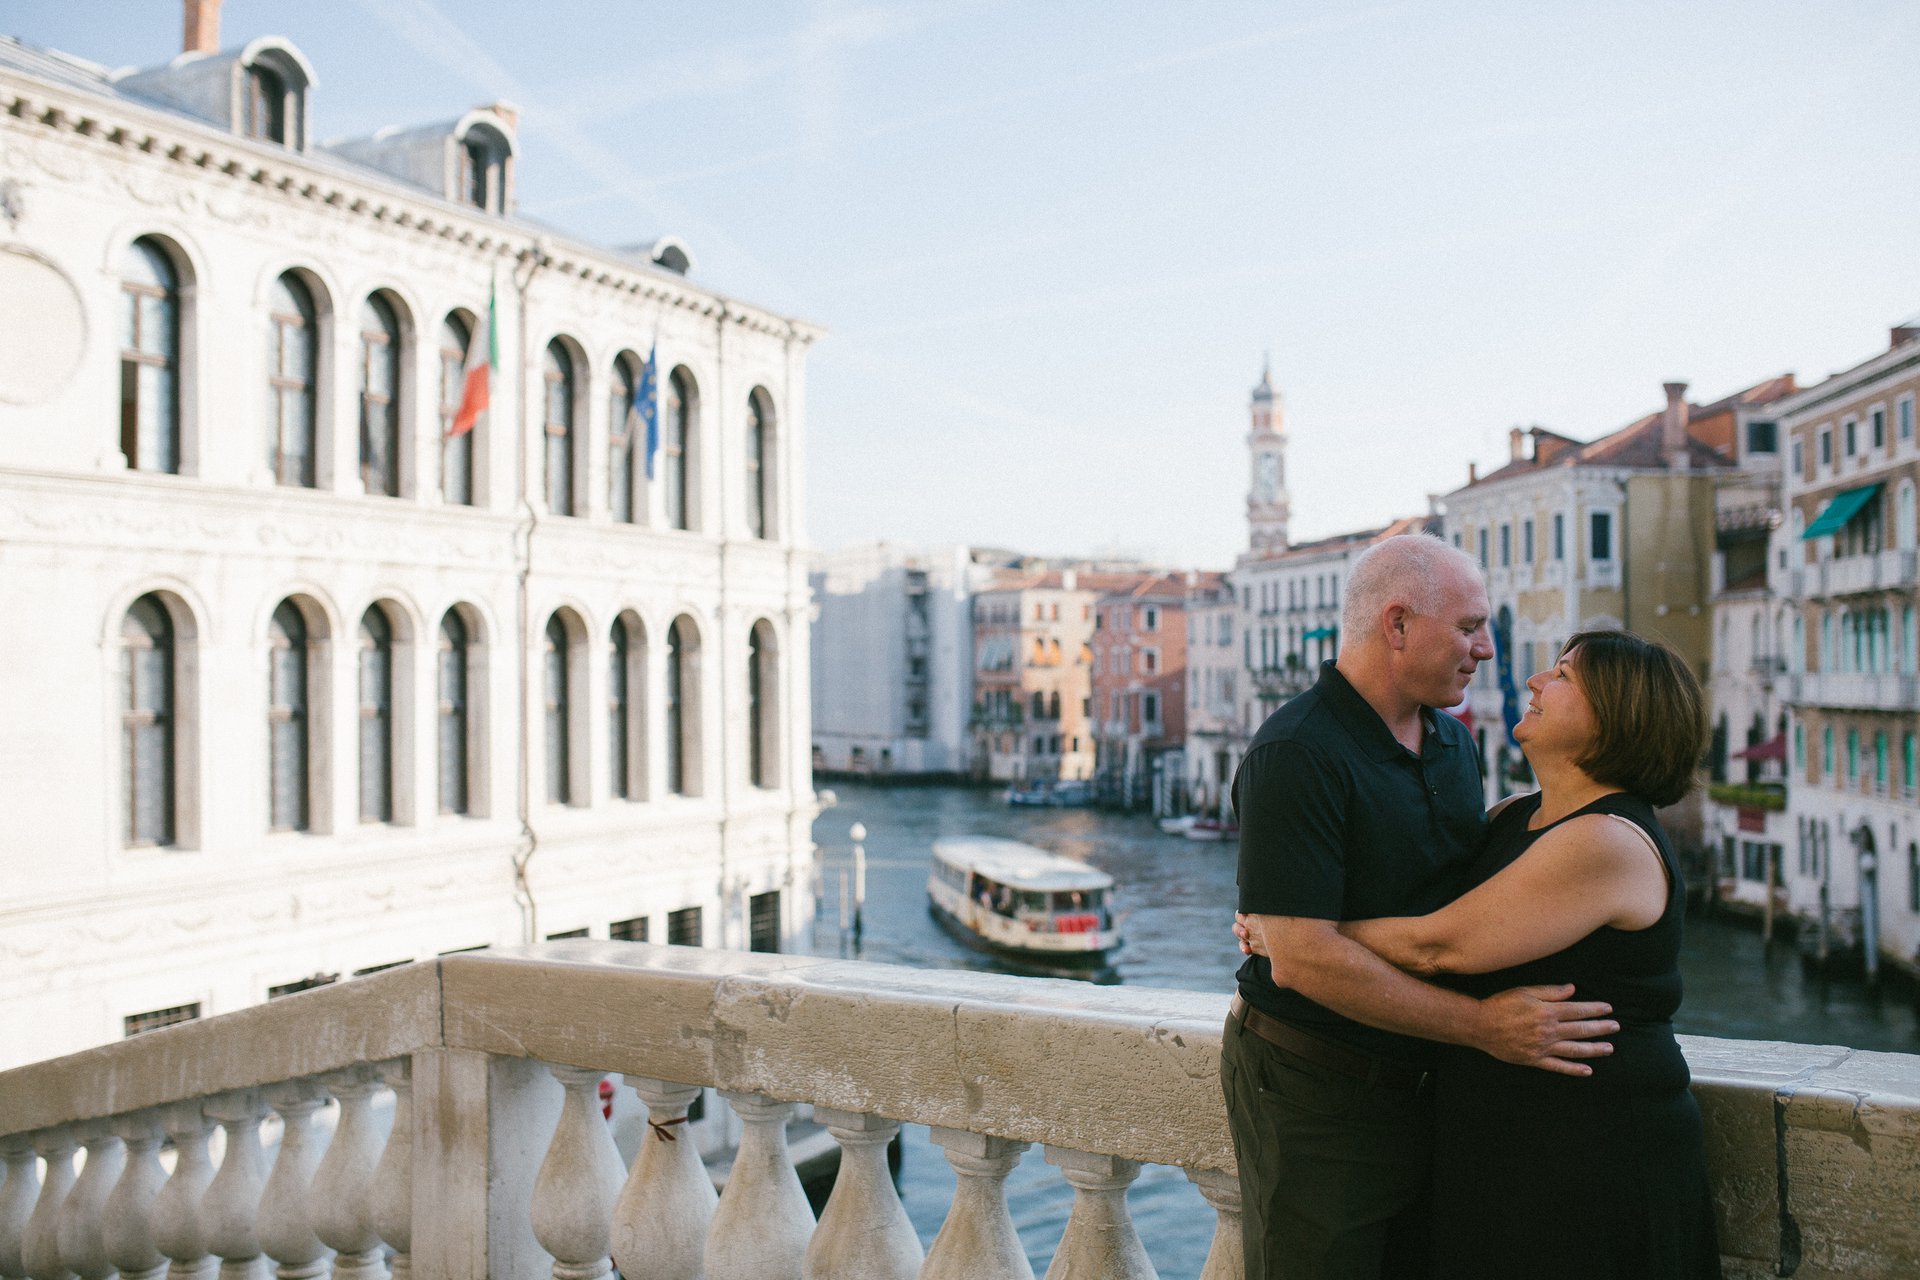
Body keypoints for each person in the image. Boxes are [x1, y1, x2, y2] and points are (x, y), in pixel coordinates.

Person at [1224, 533, 1619, 1280]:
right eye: (1470, 627)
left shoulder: (1453, 745)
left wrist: (1292, 931)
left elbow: (1457, 908)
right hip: (1317, 1090)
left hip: (1431, 1088)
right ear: (1397, 625)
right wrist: (1483, 1028)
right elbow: (1304, 961)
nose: (1488, 650)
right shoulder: (1295, 753)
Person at [1332, 631, 1721, 1278]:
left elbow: (1438, 944)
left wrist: (1300, 934)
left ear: (1618, 716)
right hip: (1504, 1139)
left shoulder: (1608, 839)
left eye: (1565, 676)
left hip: (1594, 1147)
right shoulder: (1517, 815)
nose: (1537, 681)